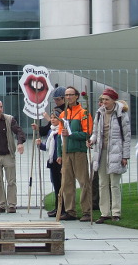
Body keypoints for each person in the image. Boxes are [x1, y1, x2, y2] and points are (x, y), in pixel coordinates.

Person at [88, 88, 130, 223]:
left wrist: (125, 156)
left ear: (113, 100)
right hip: (101, 152)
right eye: (102, 100)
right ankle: (104, 212)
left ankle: (116, 212)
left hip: (116, 153)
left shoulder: (121, 114)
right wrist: (92, 140)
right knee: (102, 183)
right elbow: (95, 132)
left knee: (115, 184)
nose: (104, 102)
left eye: (106, 99)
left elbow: (127, 137)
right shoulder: (99, 114)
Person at [56, 86, 93, 222]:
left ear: (77, 96)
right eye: (66, 95)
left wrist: (71, 134)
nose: (68, 97)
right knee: (67, 182)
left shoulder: (84, 113)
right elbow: (60, 136)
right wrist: (60, 153)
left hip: (78, 152)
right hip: (66, 152)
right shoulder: (63, 114)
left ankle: (87, 211)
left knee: (83, 182)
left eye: (71, 94)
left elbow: (87, 133)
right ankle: (70, 210)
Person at [35, 109, 64, 217]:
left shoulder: (61, 131)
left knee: (61, 185)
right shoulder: (51, 131)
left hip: (60, 161)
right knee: (55, 184)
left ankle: (63, 208)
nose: (52, 120)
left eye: (55, 118)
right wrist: (39, 144)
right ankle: (57, 207)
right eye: (51, 118)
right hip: (53, 161)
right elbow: (47, 147)